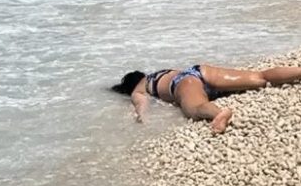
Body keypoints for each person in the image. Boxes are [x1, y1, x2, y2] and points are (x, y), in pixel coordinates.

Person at [112, 63, 301, 134]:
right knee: (261, 76)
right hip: (198, 71)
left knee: (196, 108)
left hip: (182, 83)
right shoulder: (159, 72)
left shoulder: (139, 87)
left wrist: (141, 120)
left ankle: (220, 113)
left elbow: (141, 105)